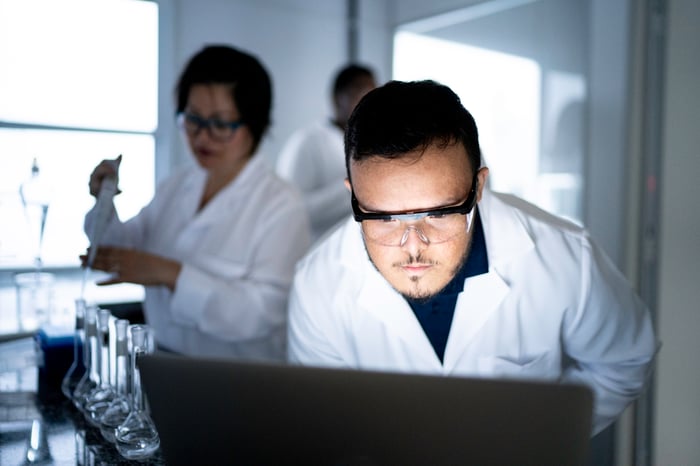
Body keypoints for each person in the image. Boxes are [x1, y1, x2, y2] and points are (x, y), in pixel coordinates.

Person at [287, 80, 657, 435]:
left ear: (477, 187)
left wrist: (533, 439)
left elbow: (623, 363)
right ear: (353, 196)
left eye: (438, 213)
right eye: (383, 217)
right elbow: (328, 417)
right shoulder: (318, 283)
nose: (413, 245)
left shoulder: (566, 259)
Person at [84, 45, 311, 361]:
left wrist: (171, 274)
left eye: (219, 124)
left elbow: (261, 315)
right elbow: (121, 247)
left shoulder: (280, 204)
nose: (202, 137)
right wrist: (104, 200)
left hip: (240, 379)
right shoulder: (177, 185)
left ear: (254, 125)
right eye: (193, 119)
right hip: (161, 361)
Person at [276, 64, 376, 242]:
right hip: (317, 250)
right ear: (338, 99)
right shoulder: (307, 142)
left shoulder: (371, 142)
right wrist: (355, 186)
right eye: (360, 92)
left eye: (372, 93)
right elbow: (292, 211)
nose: (367, 101)